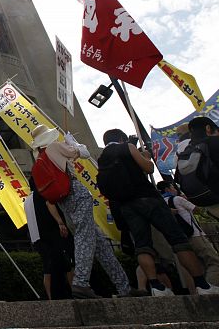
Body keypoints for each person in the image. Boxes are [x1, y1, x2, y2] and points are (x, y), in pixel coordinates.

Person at [100, 128, 218, 296]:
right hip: (147, 198)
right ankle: (202, 285)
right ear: (121, 138)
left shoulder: (102, 158)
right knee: (178, 239)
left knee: (143, 246)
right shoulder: (127, 147)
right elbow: (148, 168)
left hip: (126, 205)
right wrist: (146, 157)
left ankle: (156, 287)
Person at [31, 125, 133, 299]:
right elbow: (84, 153)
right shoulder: (55, 147)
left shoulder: (40, 156)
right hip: (76, 193)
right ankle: (81, 283)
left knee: (99, 244)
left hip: (63, 200)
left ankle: (124, 287)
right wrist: (73, 143)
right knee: (84, 237)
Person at [158, 180, 219, 286]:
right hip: (195, 235)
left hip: (179, 241)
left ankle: (199, 288)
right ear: (167, 189)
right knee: (214, 261)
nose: (174, 189)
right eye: (172, 187)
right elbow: (198, 210)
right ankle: (210, 286)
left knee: (196, 267)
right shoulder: (178, 199)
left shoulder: (160, 204)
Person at [24, 178, 74, 300]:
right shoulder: (43, 194)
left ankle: (50, 297)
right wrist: (60, 223)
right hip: (52, 235)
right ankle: (75, 291)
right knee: (67, 264)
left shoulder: (27, 200)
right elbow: (50, 204)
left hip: (38, 238)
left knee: (48, 269)